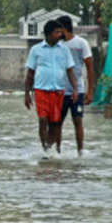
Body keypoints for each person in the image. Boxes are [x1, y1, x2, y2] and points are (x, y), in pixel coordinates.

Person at [24, 20, 77, 157]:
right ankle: (45, 150)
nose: (60, 35)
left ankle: (51, 147)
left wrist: (75, 89)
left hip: (58, 91)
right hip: (41, 90)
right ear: (48, 34)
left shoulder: (64, 50)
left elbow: (70, 71)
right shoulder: (36, 50)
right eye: (57, 32)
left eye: (60, 32)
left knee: (55, 124)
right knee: (42, 120)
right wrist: (27, 94)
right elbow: (30, 73)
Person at [56, 15, 95, 156]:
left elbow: (90, 68)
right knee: (57, 123)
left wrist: (90, 92)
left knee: (77, 120)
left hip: (77, 90)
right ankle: (57, 152)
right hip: (60, 90)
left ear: (64, 29)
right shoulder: (57, 45)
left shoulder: (81, 43)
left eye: (58, 29)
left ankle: (80, 152)